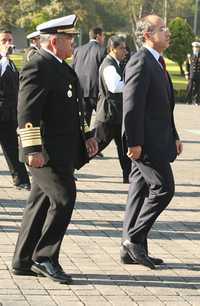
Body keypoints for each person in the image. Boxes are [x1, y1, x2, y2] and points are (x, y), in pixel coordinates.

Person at [12, 14, 98, 284]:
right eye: (68, 38)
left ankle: (23, 260)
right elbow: (27, 110)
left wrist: (86, 135)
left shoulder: (60, 65)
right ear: (53, 41)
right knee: (63, 197)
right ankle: (45, 256)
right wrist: (32, 150)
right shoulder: (38, 65)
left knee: (39, 203)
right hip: (45, 153)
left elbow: (73, 107)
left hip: (62, 150)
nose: (73, 42)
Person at [120, 15, 183, 269]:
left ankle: (130, 249)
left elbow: (163, 106)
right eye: (162, 28)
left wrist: (175, 135)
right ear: (147, 35)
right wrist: (133, 142)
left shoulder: (157, 62)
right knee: (164, 188)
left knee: (138, 192)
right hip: (145, 144)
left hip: (157, 139)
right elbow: (132, 106)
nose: (168, 32)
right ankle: (134, 239)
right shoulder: (140, 61)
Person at [95, 35, 131, 183]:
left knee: (124, 147)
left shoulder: (115, 63)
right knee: (96, 144)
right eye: (121, 48)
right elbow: (114, 87)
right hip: (109, 114)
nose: (125, 51)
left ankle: (128, 175)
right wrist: (131, 85)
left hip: (116, 114)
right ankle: (70, 166)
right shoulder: (109, 65)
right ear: (112, 49)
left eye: (125, 48)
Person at [0, 29, 30, 190]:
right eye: (4, 40)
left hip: (8, 112)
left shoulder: (10, 62)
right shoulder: (4, 61)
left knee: (12, 147)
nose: (8, 44)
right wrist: (4, 57)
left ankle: (21, 179)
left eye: (9, 40)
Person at [72, 27, 105, 127]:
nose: (104, 39)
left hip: (81, 91)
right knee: (103, 122)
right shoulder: (102, 50)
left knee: (84, 124)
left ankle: (84, 142)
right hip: (96, 92)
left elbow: (73, 68)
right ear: (98, 35)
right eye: (103, 36)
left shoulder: (78, 50)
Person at [184, 41, 200, 105]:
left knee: (197, 88)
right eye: (195, 47)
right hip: (191, 75)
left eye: (197, 47)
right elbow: (187, 65)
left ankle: (196, 101)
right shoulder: (189, 56)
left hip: (199, 75)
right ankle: (188, 100)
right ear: (192, 48)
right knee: (190, 87)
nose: (196, 48)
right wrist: (186, 74)